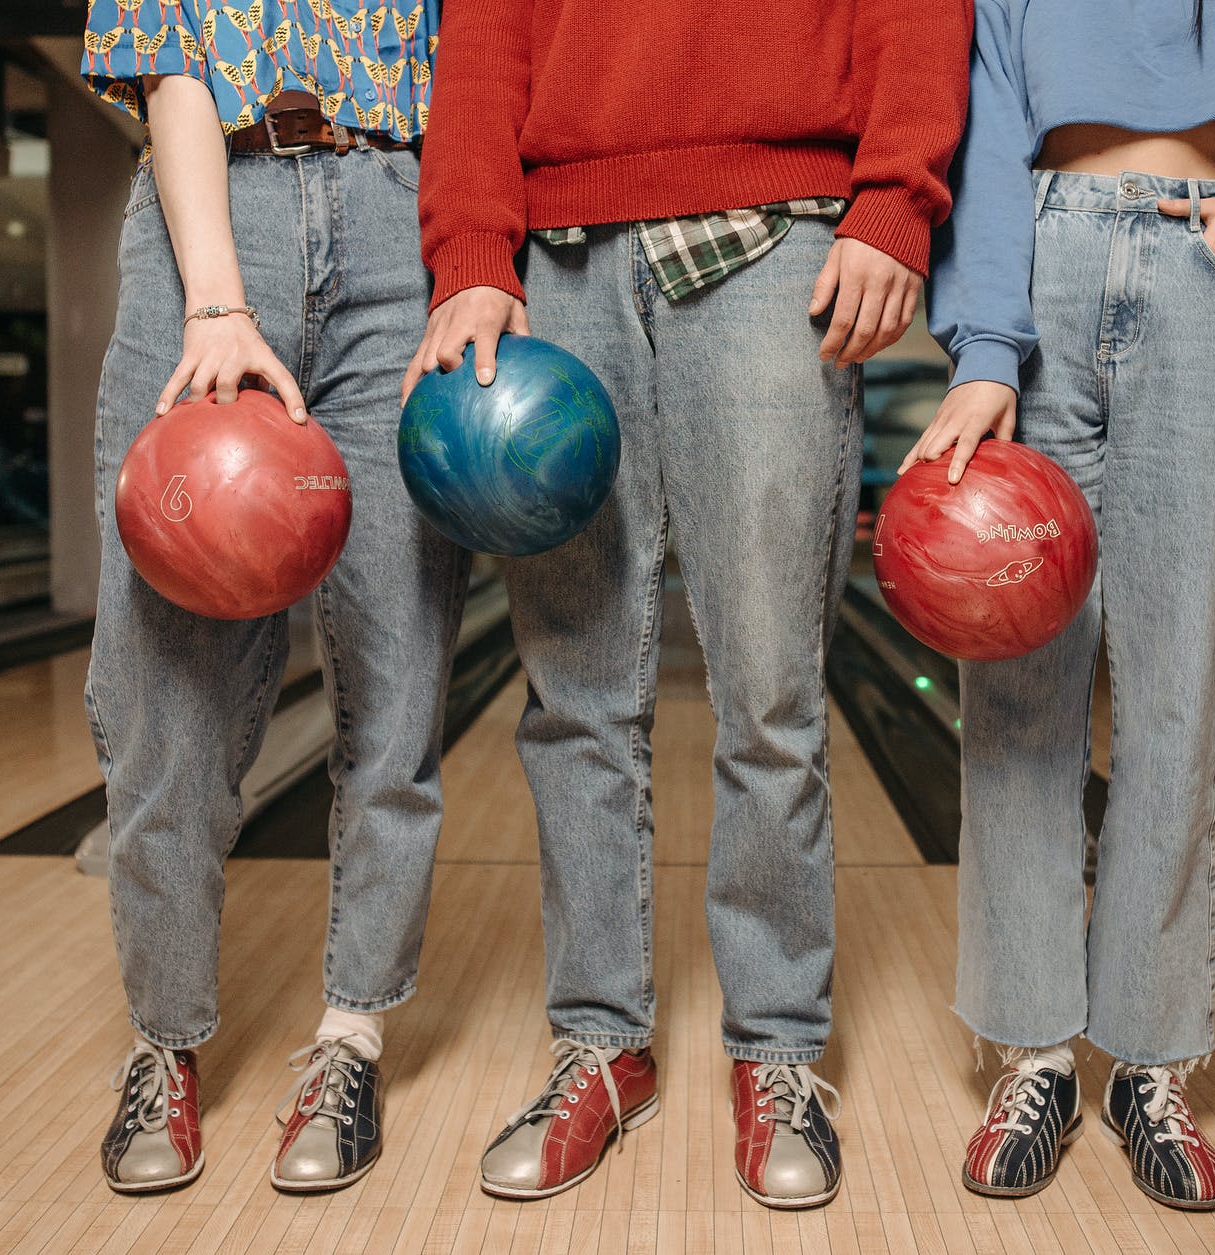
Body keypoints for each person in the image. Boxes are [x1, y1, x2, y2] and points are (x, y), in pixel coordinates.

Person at [407, 0, 972, 1209]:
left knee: (770, 693)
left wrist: (894, 195)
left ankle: (776, 1052)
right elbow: (482, 40)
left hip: (772, 241)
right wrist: (468, 255)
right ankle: (600, 1045)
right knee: (575, 700)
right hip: (558, 264)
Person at [907, 0, 1215, 1211]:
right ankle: (1030, 1055)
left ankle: (1150, 1062)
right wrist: (984, 355)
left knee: (1178, 706)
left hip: (1203, 277)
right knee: (1018, 703)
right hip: (1044, 270)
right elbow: (988, 145)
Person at [80, 0, 468, 1194]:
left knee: (396, 678)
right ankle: (165, 1039)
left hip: (401, 228)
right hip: (212, 208)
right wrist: (216, 299)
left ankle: (351, 1035)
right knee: (165, 697)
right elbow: (168, 52)